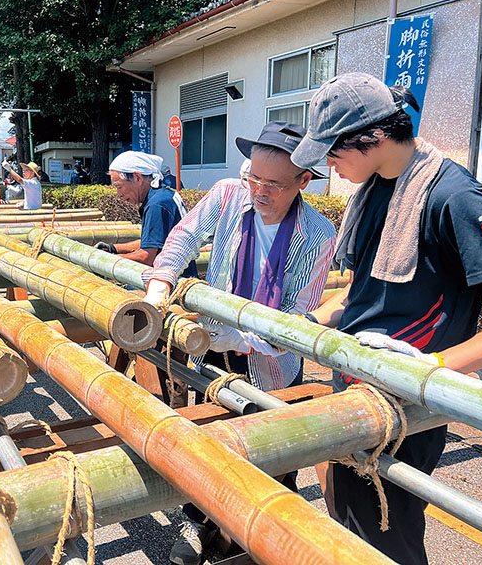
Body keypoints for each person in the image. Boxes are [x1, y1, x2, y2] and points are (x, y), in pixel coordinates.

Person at [294, 72, 482, 565]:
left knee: (387, 525)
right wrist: (316, 317)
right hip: (358, 377)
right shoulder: (375, 186)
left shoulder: (454, 196)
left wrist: (436, 366)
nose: (331, 167)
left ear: (374, 136)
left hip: (409, 396)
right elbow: (367, 289)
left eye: (334, 153)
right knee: (350, 517)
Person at [141, 122, 336, 565]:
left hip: (271, 360)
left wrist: (243, 336)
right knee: (207, 435)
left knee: (275, 449)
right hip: (209, 341)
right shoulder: (230, 194)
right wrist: (159, 283)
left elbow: (296, 326)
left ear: (304, 181)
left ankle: (270, 539)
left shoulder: (319, 235)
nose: (259, 190)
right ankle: (196, 520)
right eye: (254, 177)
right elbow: (185, 235)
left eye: (273, 183)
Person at [97, 151, 197, 275]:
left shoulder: (157, 204)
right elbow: (151, 243)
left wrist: (102, 261)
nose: (119, 195)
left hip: (170, 283)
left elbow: (146, 258)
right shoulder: (162, 196)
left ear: (137, 178)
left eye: (119, 187)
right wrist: (112, 248)